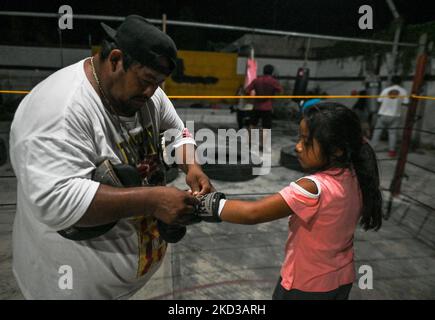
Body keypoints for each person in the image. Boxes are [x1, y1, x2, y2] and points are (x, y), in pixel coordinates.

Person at [9, 15, 213, 299]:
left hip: (126, 284)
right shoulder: (60, 110)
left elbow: (177, 132)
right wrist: (155, 200)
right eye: (147, 80)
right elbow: (56, 202)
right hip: (69, 290)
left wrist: (192, 166)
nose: (152, 91)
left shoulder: (147, 95)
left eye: (159, 83)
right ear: (116, 59)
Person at [195, 102, 383, 300]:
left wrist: (204, 204)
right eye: (299, 138)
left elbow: (253, 213)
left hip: (306, 285)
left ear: (336, 150)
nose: (298, 146)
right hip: (341, 279)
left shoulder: (313, 187)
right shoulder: (356, 175)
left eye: (306, 141)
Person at [245, 64, 283, 150]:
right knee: (265, 127)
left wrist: (253, 98)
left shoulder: (257, 80)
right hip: (267, 107)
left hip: (256, 106)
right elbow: (280, 91)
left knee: (252, 124)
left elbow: (247, 90)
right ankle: (262, 145)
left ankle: (249, 143)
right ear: (272, 72)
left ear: (263, 71)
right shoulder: (273, 81)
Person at [370, 75, 409, 157]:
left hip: (383, 114)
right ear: (400, 82)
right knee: (392, 133)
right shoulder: (403, 91)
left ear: (391, 81)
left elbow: (379, 100)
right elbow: (406, 102)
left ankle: (372, 149)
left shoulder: (386, 90)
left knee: (377, 131)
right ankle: (391, 151)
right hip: (395, 115)